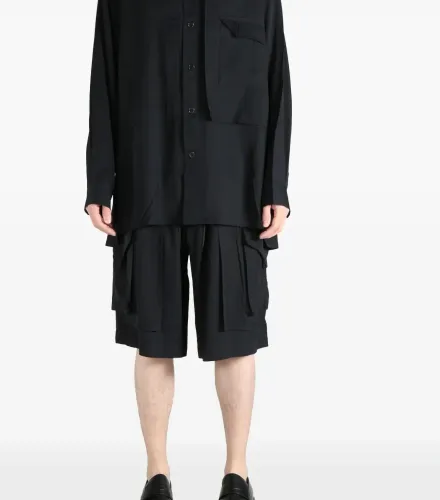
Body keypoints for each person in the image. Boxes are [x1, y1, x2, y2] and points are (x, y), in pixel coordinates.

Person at [84, 0, 291, 498]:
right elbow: (104, 80)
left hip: (233, 189)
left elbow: (277, 84)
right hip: (148, 181)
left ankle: (236, 474)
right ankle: (156, 474)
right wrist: (99, 182)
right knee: (151, 337)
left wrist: (275, 187)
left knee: (236, 336)